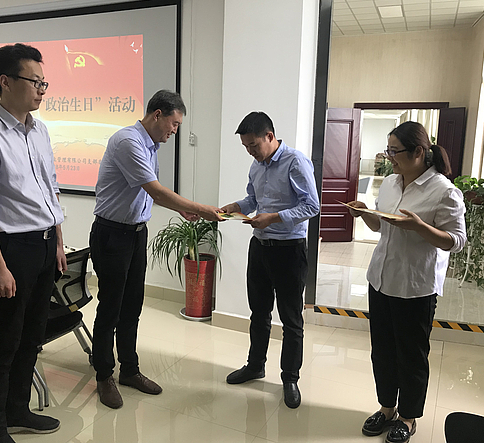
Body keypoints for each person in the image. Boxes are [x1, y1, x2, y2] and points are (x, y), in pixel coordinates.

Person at [0, 44, 66, 443]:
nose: (42, 90)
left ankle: (18, 409)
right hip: (12, 251)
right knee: (4, 341)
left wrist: (57, 243)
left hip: (43, 246)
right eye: (35, 81)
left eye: (44, 82)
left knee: (32, 336)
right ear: (5, 82)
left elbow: (50, 190)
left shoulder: (39, 130)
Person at [91, 89, 223, 409]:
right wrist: (200, 208)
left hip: (136, 234)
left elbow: (150, 194)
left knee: (132, 305)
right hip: (112, 234)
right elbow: (156, 191)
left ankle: (129, 370)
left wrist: (180, 209)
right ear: (157, 114)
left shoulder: (151, 146)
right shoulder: (128, 141)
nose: (175, 131)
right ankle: (104, 375)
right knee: (111, 308)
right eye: (174, 124)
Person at [348, 121, 466, 443]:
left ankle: (408, 417)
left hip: (415, 287)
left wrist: (420, 228)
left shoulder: (443, 191)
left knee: (411, 356)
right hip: (381, 279)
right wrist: (365, 213)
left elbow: (456, 241)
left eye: (394, 151)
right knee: (382, 351)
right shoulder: (389, 183)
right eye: (388, 150)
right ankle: (387, 409)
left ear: (418, 152)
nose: (389, 157)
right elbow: (381, 227)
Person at [222, 111, 319, 409]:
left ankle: (290, 378)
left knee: (291, 319)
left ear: (270, 136)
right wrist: (235, 206)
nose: (250, 151)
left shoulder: (295, 161)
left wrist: (274, 217)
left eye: (253, 145)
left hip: (289, 250)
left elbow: (311, 206)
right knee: (259, 312)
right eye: (246, 147)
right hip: (260, 248)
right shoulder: (257, 165)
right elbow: (253, 200)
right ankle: (255, 366)